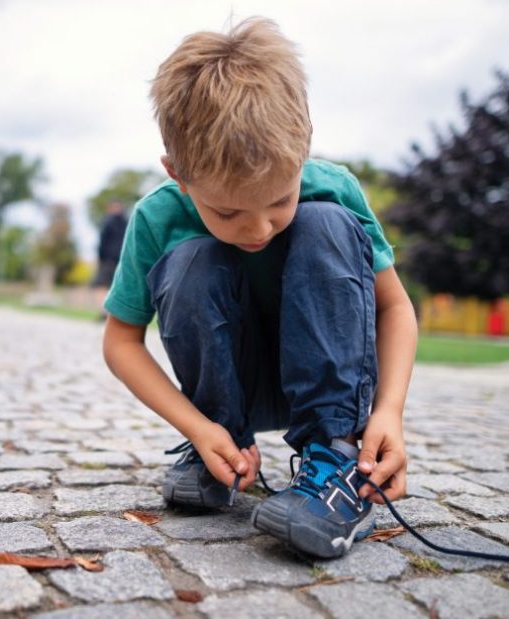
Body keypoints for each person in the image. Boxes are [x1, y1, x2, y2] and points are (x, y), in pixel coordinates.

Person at [102, 18, 418, 559]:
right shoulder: (158, 217)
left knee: (324, 226)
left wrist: (388, 412)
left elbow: (395, 308)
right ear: (177, 173)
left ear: (304, 150)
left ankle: (336, 460)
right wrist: (198, 426)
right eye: (226, 210)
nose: (258, 230)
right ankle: (221, 448)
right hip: (230, 389)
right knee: (192, 259)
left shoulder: (334, 188)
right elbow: (120, 341)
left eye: (278, 201)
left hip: (329, 381)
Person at [92, 201, 128, 319]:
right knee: (118, 285)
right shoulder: (126, 221)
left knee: (101, 285)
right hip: (123, 258)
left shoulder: (108, 220)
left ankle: (104, 312)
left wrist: (100, 257)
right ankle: (117, 314)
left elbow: (102, 240)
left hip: (108, 259)